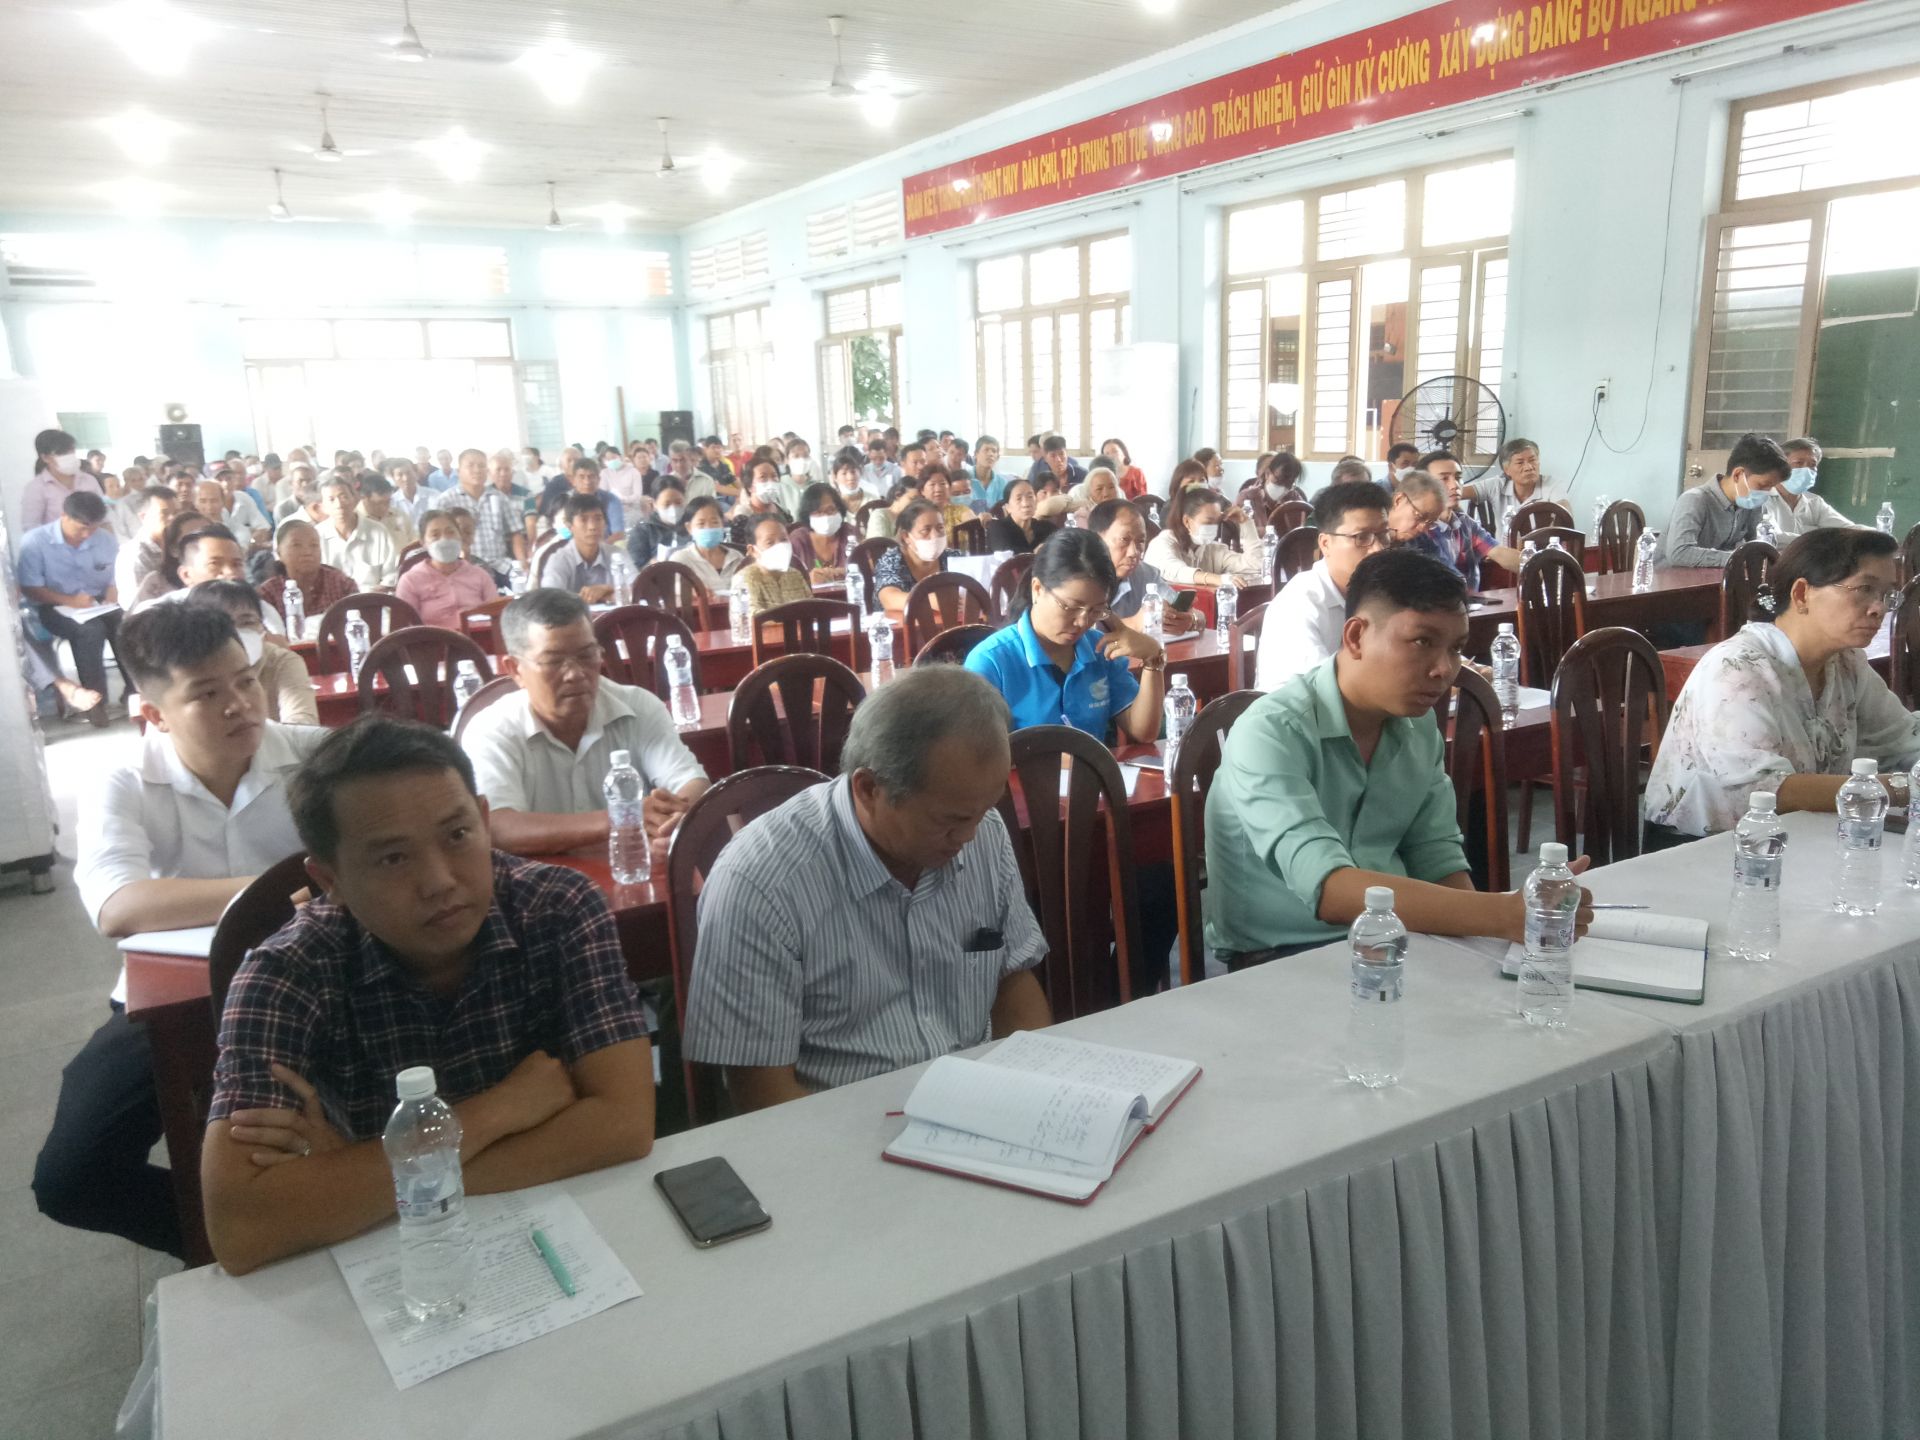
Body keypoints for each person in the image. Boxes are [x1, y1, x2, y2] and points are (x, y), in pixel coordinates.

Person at [200, 715, 655, 1274]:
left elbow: (625, 1125)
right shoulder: (286, 972)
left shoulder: (559, 908)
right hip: (391, 1271)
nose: (439, 880)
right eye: (393, 858)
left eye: (458, 835)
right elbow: (240, 1227)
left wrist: (355, 1176)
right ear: (330, 881)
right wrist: (499, 1111)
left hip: (567, 1238)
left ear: (484, 821)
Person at [41, 604, 326, 1257]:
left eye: (245, 681)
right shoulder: (123, 779)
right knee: (70, 1175)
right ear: (155, 713)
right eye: (206, 693)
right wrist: (274, 892)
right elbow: (118, 905)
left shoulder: (317, 757)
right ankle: (218, 1242)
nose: (239, 704)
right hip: (176, 1000)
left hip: (311, 986)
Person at [682, 666, 1050, 1110]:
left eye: (984, 810)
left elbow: (1013, 981)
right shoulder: (761, 882)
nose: (970, 836)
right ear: (869, 789)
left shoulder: (981, 829)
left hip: (972, 1105)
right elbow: (761, 1095)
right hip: (834, 1124)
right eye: (950, 820)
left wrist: (1031, 1093)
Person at [1206, 548, 1596, 965]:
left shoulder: (1418, 726)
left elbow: (1436, 855)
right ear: (1355, 637)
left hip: (1399, 937)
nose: (1444, 669)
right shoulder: (1271, 731)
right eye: (1422, 642)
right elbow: (1329, 889)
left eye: (1456, 648)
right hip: (1283, 958)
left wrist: (1486, 944)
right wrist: (1501, 914)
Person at [1645, 527, 1920, 842]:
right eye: (1864, 589)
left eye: (1886, 595)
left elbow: (1905, 737)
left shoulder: (1846, 663)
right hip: (1705, 849)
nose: (1879, 608)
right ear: (1801, 594)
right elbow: (1766, 789)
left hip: (1802, 837)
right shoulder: (1737, 668)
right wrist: (1904, 788)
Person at [461, 589, 709, 856]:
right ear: (515, 669)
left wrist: (672, 822)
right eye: (554, 661)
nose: (575, 674)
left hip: (634, 872)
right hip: (542, 880)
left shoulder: (639, 707)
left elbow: (693, 783)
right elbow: (498, 827)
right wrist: (621, 817)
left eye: (587, 655)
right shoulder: (491, 730)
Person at [964, 527, 1167, 745]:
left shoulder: (1100, 649)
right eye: (1071, 607)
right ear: (1037, 589)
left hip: (1091, 767)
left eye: (1096, 610)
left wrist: (1152, 658)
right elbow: (977, 754)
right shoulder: (991, 662)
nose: (1082, 622)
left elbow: (1143, 732)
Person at [1255, 481, 1390, 690]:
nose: (1378, 549)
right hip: (1300, 707)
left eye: (1383, 535)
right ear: (1325, 544)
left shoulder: (1381, 595)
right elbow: (1323, 688)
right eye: (1362, 537)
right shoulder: (1299, 602)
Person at [18, 490, 123, 717]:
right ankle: (96, 702)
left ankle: (136, 693)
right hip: (54, 606)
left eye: (92, 529)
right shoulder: (35, 542)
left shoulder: (104, 539)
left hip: (97, 603)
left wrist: (112, 589)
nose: (86, 535)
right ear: (64, 516)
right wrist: (69, 601)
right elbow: (29, 587)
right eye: (81, 528)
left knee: (125, 623)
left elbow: (115, 574)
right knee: (90, 630)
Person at [186, 579, 319, 725]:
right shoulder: (189, 670)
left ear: (262, 625)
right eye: (223, 625)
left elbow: (303, 724)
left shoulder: (282, 662)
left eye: (247, 622)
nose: (237, 634)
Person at [1655, 432, 1791, 570]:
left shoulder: (1751, 505)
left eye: (1770, 487)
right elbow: (1679, 553)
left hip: (1713, 577)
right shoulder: (1694, 500)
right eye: (1762, 485)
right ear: (1738, 475)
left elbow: (1763, 542)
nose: (1766, 493)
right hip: (1671, 579)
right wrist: (1738, 558)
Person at [1409, 452, 1521, 588]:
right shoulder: (1416, 530)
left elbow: (1498, 552)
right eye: (1444, 478)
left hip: (1471, 600)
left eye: (1458, 477)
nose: (1455, 485)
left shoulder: (1465, 524)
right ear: (1423, 486)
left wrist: (1537, 565)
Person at [1092, 498, 1198, 635]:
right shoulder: (1079, 576)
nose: (1133, 552)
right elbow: (1080, 631)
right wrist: (1134, 624)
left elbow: (1196, 615)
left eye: (1140, 541)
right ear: (1097, 539)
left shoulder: (1145, 573)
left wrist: (1190, 620)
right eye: (1124, 540)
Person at [396, 510, 497, 630]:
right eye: (435, 535)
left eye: (450, 532)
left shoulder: (480, 575)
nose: (444, 539)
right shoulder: (410, 580)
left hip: (478, 638)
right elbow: (406, 627)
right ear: (423, 542)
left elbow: (496, 614)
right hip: (432, 640)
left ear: (460, 536)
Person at [1143, 486, 1262, 586]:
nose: (1213, 527)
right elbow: (1177, 571)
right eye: (1208, 522)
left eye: (1217, 522)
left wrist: (1246, 523)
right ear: (1187, 521)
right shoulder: (1161, 544)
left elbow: (1255, 565)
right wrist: (1218, 579)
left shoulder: (1212, 549)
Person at [437, 447, 525, 574]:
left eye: (481, 466)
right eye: (471, 466)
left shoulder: (499, 498)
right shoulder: (446, 501)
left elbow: (515, 533)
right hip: (462, 567)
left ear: (487, 471)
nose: (477, 470)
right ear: (459, 471)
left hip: (500, 567)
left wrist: (522, 563)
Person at [258, 518, 356, 627]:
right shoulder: (267, 594)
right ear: (279, 553)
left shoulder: (341, 584)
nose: (307, 552)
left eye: (314, 545)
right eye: (296, 545)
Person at [133, 521, 252, 611]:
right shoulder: (156, 614)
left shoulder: (254, 608)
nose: (230, 572)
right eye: (215, 564)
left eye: (236, 564)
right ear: (186, 575)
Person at [1761, 436, 1860, 538]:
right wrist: (1815, 541)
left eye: (1812, 465)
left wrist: (1869, 534)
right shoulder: (1761, 499)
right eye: (1798, 463)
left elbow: (1848, 528)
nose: (1806, 469)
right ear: (1780, 467)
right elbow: (1772, 536)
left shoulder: (1814, 502)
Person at [316, 475, 398, 590]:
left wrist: (378, 592)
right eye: (331, 499)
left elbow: (391, 575)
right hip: (333, 599)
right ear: (322, 507)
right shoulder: (316, 535)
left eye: (344, 497)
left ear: (355, 499)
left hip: (372, 598)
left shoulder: (378, 531)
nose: (339, 505)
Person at [874, 500, 953, 614]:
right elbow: (889, 599)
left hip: (948, 621)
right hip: (901, 623)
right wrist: (931, 601)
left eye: (940, 528)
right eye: (926, 530)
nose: (935, 536)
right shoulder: (892, 560)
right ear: (906, 536)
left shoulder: (952, 557)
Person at [1460, 437, 1566, 519]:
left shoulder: (1552, 485)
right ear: (1506, 469)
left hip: (1541, 542)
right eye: (1520, 462)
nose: (1529, 467)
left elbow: (1565, 514)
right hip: (1505, 542)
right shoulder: (1497, 485)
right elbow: (1455, 493)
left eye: (1532, 460)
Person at [21, 428, 106, 531]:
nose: (69, 456)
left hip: (93, 538)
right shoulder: (36, 488)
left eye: (71, 450)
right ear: (45, 458)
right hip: (55, 540)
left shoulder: (89, 480)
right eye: (61, 453)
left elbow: (105, 517)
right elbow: (31, 527)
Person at [541, 493, 616, 602]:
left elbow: (636, 590)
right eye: (583, 520)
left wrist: (606, 589)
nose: (592, 527)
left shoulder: (616, 554)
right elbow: (550, 600)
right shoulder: (558, 559)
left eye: (598, 519)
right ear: (569, 526)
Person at [111, 485, 178, 607]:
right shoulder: (134, 555)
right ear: (143, 517)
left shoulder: (177, 543)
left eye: (176, 513)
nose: (172, 519)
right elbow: (140, 606)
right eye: (164, 513)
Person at [738, 513, 814, 615]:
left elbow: (811, 609)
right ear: (752, 550)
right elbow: (750, 614)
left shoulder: (795, 575)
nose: (780, 546)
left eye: (783, 540)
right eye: (770, 542)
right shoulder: (745, 579)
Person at [667, 496, 746, 592]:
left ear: (722, 524)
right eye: (701, 524)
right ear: (689, 528)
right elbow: (675, 595)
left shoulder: (736, 557)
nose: (709, 527)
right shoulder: (680, 560)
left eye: (715, 522)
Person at [790, 482, 854, 580]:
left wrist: (842, 572)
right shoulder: (798, 541)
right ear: (807, 515)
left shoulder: (850, 533)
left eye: (831, 509)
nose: (826, 516)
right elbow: (788, 578)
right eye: (818, 512)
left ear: (840, 510)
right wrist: (808, 580)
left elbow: (870, 564)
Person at [727, 457, 794, 547]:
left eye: (774, 476)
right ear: (750, 486)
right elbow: (741, 549)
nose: (771, 481)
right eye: (763, 477)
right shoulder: (743, 517)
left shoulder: (783, 511)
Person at [983, 477, 1057, 556]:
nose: (1026, 504)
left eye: (1030, 497)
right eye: (1019, 499)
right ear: (1008, 507)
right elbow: (1007, 556)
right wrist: (1035, 553)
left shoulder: (1047, 527)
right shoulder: (997, 528)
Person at [627, 482, 688, 569]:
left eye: (678, 502)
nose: (673, 508)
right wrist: (650, 565)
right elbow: (633, 567)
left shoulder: (692, 525)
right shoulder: (643, 530)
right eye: (667, 504)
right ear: (655, 504)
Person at [565, 456, 626, 540]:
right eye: (581, 477)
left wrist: (597, 547)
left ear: (599, 479)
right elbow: (563, 533)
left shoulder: (611, 500)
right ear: (573, 480)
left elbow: (618, 534)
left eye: (591, 476)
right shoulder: (565, 501)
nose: (587, 482)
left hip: (605, 545)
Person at [1382, 469, 1449, 545]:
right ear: (1398, 500)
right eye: (1420, 517)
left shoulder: (1425, 544)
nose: (1422, 529)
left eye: (1431, 523)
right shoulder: (1371, 533)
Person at [357, 471, 416, 553]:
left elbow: (414, 541)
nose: (384, 507)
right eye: (379, 503)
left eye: (388, 502)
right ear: (364, 498)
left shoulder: (399, 515)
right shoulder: (355, 520)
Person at [917, 465, 975, 544]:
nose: (938, 489)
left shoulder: (960, 510)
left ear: (950, 488)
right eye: (932, 485)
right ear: (922, 490)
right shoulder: (916, 515)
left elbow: (972, 521)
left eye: (943, 484)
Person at [383, 457, 436, 530]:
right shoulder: (391, 503)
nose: (405, 478)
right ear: (393, 478)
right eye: (400, 475)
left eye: (408, 473)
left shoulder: (434, 496)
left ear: (416, 474)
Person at [970, 434, 1017, 510]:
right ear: (976, 454)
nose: (990, 454)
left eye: (994, 451)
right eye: (986, 450)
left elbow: (1003, 509)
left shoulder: (1002, 483)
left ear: (997, 457)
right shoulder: (965, 479)